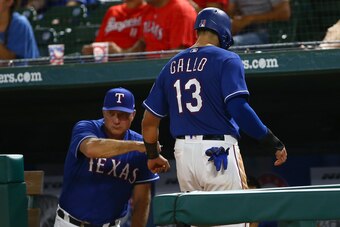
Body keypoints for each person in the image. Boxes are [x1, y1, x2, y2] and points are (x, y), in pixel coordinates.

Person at [141, 7, 287, 226]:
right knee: (237, 220)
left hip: (184, 156)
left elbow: (148, 122)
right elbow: (239, 109)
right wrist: (271, 141)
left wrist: (152, 155)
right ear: (224, 32)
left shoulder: (170, 65)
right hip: (218, 153)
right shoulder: (227, 58)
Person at [54, 87, 159, 227]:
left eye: (122, 115)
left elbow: (141, 200)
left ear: (133, 115)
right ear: (104, 112)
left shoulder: (140, 146)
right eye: (111, 113)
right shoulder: (86, 127)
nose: (116, 120)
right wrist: (137, 146)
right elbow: (91, 149)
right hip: (70, 223)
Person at [108, 0, 197, 55]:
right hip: (149, 68)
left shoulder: (180, 10)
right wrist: (121, 54)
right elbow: (142, 43)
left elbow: (180, 55)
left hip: (172, 73)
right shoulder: (149, 8)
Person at [82, 0, 150, 56]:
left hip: (132, 64)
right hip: (105, 62)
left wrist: (120, 52)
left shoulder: (149, 10)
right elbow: (99, 42)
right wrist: (91, 49)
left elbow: (144, 45)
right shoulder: (113, 11)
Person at [226, 0, 291, 45]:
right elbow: (230, 11)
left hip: (266, 31)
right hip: (243, 29)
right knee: (224, 42)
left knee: (233, 43)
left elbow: (285, 13)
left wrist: (251, 19)